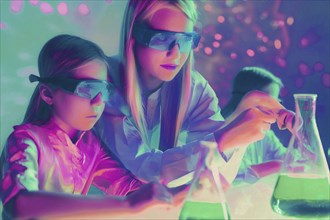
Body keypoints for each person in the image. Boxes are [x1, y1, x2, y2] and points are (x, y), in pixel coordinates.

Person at [98, 0, 294, 188]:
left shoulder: (194, 87)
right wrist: (223, 139)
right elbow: (146, 171)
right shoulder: (102, 85)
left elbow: (218, 180)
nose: (175, 54)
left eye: (185, 40)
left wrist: (242, 113)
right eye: (161, 39)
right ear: (134, 36)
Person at [0, 34, 172, 219]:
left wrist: (178, 193)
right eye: (87, 88)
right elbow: (18, 204)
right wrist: (129, 205)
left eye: (103, 90)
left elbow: (127, 187)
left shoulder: (90, 145)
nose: (98, 101)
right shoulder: (27, 141)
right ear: (47, 93)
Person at [221, 66, 288, 183]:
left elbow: (288, 157)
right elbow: (237, 179)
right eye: (269, 101)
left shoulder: (265, 134)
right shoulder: (220, 129)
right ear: (248, 97)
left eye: (277, 102)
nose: (275, 109)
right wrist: (279, 166)